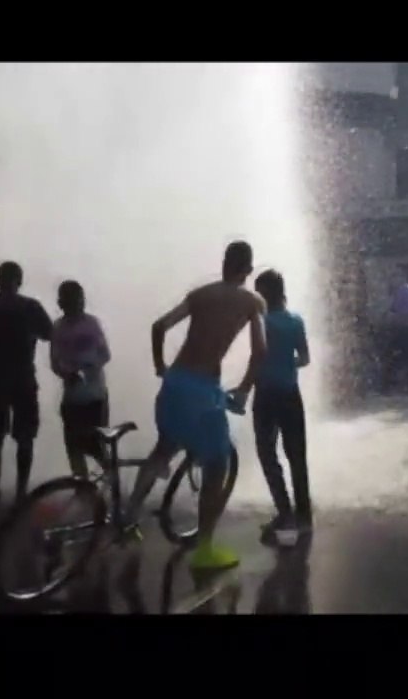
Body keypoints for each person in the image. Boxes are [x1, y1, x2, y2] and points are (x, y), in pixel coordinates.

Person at [123, 241, 267, 571]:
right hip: (202, 391)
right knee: (217, 467)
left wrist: (160, 366)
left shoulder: (201, 295)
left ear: (224, 263)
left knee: (163, 449)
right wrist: (244, 389)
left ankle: (128, 518)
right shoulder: (252, 301)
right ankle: (204, 550)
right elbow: (260, 350)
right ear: (248, 269)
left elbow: (159, 326)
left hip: (175, 382)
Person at [0, 262, 53, 501]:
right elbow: (50, 334)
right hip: (23, 375)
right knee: (25, 436)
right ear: (20, 280)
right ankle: (21, 491)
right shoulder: (30, 306)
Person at [251, 269, 311, 545]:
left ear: (266, 294)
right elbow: (305, 358)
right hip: (290, 394)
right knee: (296, 454)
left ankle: (284, 511)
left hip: (266, 395)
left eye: (258, 291)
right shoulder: (296, 321)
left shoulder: (261, 322)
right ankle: (303, 513)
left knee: (267, 453)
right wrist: (286, 364)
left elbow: (257, 356)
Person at [50, 280, 111, 479]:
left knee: (96, 445)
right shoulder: (58, 327)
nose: (77, 305)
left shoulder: (91, 324)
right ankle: (83, 487)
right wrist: (68, 374)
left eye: (79, 300)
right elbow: (54, 362)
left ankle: (111, 484)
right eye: (71, 301)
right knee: (74, 447)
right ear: (61, 303)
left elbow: (105, 354)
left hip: (95, 395)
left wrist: (89, 367)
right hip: (72, 397)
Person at [382, 266, 408, 398]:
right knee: (398, 357)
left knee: (402, 357)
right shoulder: (399, 291)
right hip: (402, 328)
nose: (392, 279)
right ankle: (396, 384)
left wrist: (395, 317)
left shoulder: (407, 291)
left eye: (395, 276)